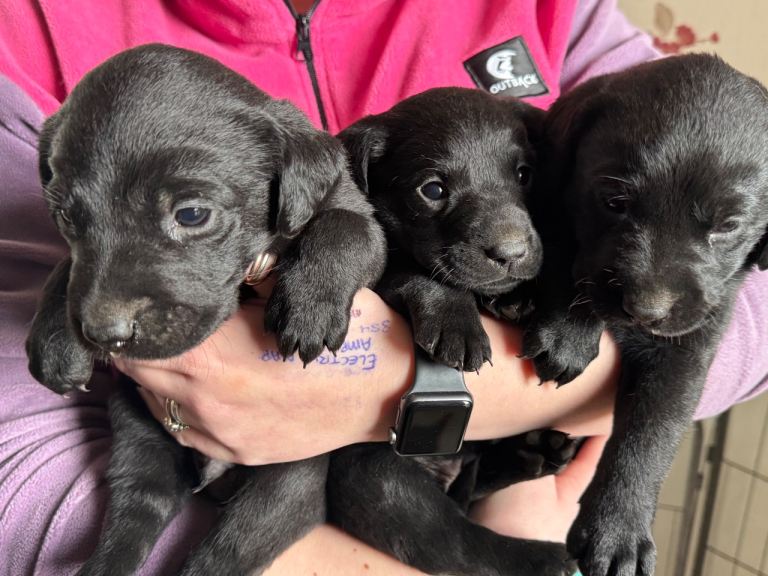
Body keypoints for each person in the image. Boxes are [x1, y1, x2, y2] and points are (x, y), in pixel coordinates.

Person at [0, 0, 766, 574]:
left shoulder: (566, 16)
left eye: (524, 174)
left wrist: (408, 391)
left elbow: (748, 317)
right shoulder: (26, 30)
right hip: (259, 502)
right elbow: (19, 452)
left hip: (496, 491)